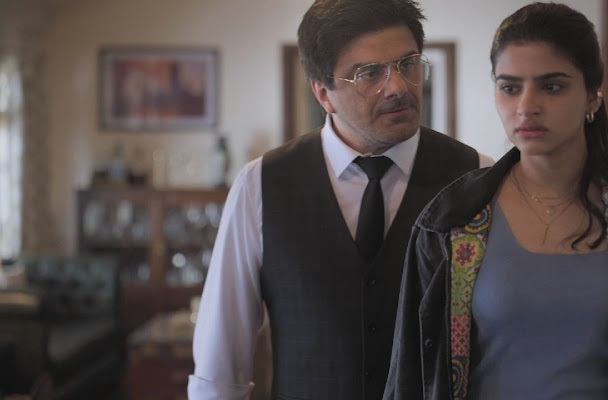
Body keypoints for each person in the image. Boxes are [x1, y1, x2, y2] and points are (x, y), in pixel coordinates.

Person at [382, 3, 608, 399]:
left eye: (552, 86)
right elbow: (410, 376)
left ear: (592, 95)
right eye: (510, 87)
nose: (526, 106)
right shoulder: (451, 221)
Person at [188, 0, 492, 399]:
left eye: (408, 64)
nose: (398, 87)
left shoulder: (476, 177)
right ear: (323, 94)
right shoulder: (261, 185)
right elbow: (220, 364)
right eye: (369, 73)